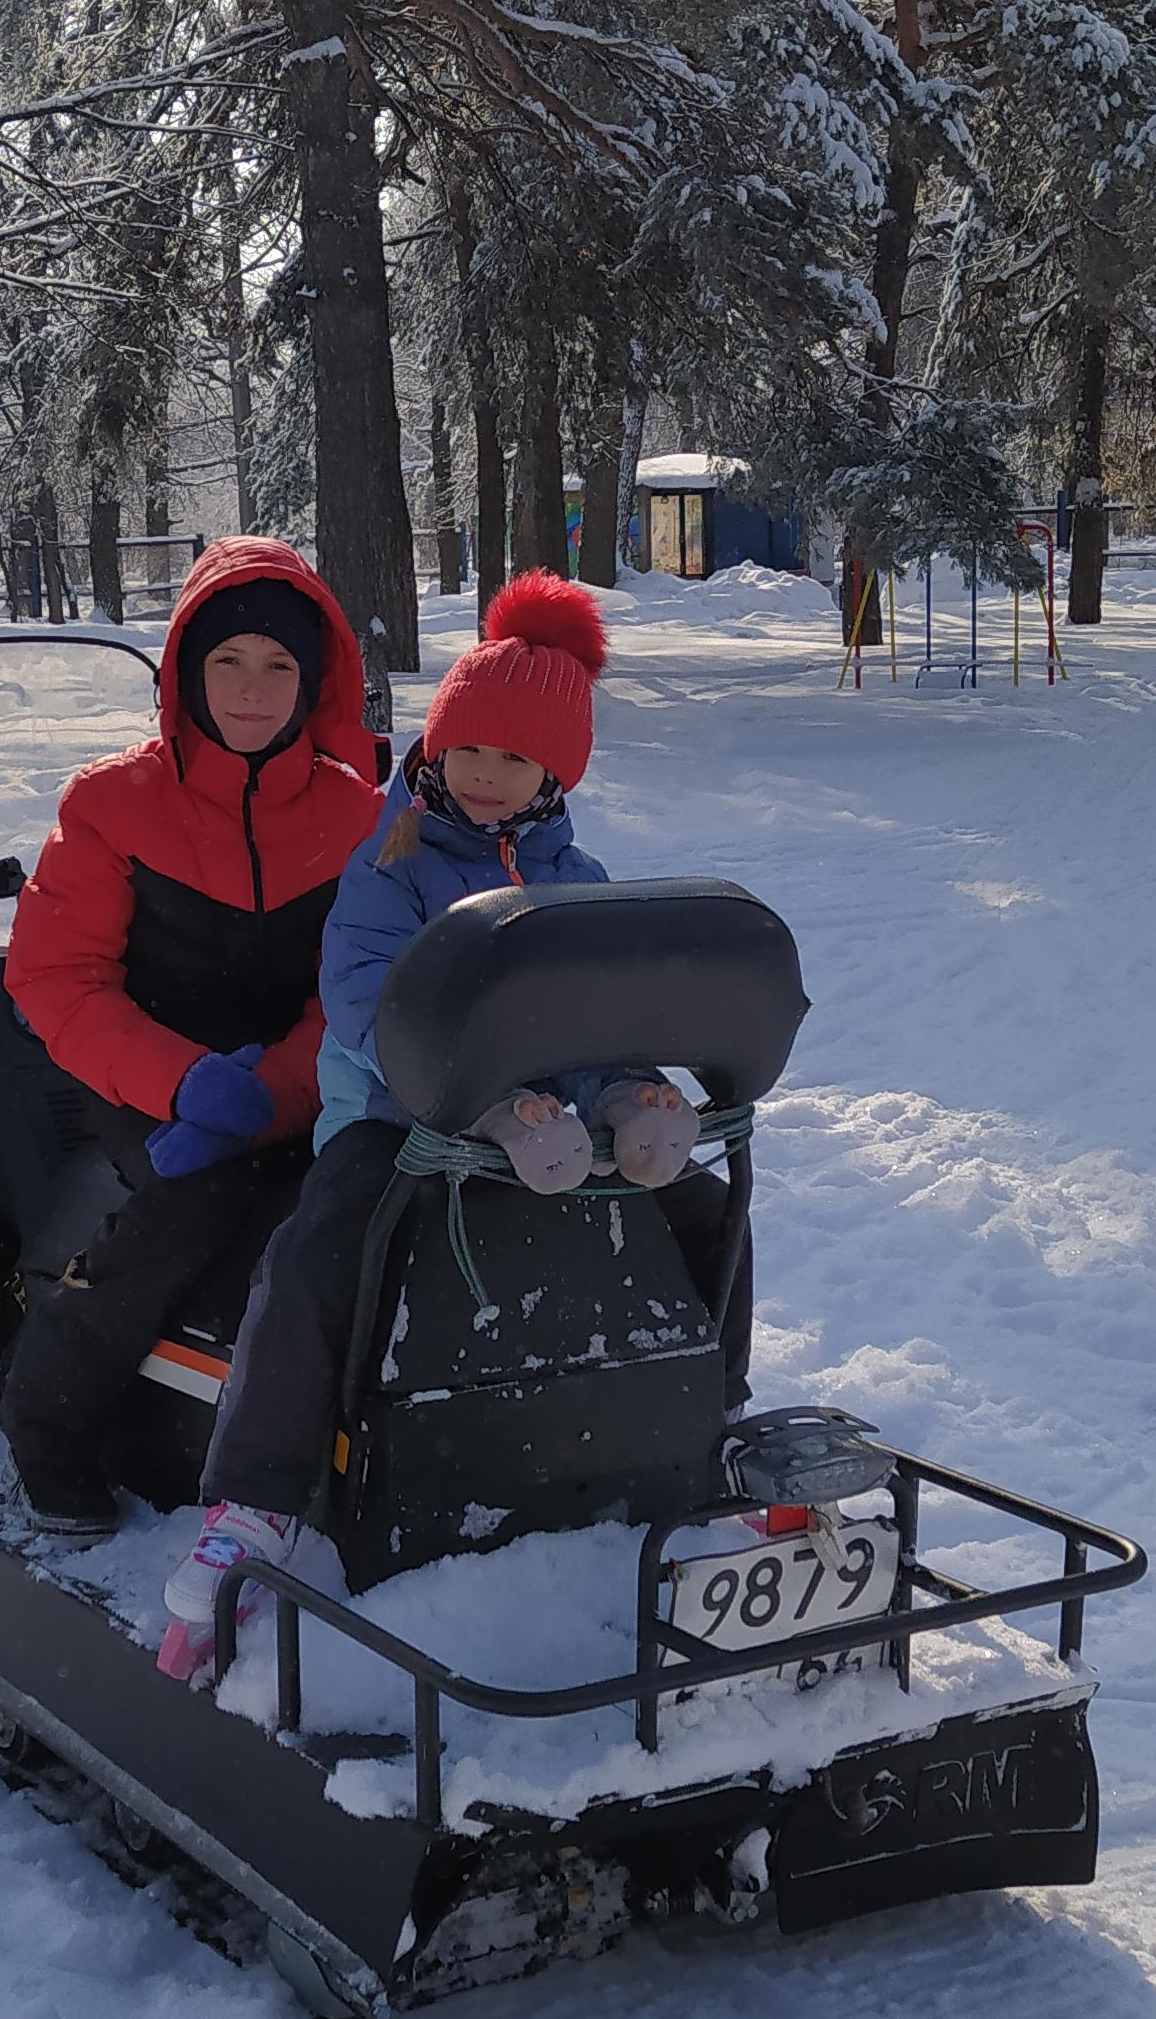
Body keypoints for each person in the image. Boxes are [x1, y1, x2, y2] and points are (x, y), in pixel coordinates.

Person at [155, 571, 752, 1676]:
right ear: (437, 744)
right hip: (398, 1118)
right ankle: (258, 1501)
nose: (483, 776)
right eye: (468, 748)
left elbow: (604, 1017)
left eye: (513, 759)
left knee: (709, 1207)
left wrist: (633, 1094)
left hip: (551, 1129)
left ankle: (707, 1425)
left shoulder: (581, 878)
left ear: (554, 776)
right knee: (321, 1247)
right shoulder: (390, 866)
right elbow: (373, 1003)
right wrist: (478, 1104)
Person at [0, 537, 381, 1537]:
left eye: (279, 666)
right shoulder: (111, 805)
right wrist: (187, 1083)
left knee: (368, 1215)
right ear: (186, 673)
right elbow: (54, 976)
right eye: (228, 662)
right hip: (148, 1082)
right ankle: (47, 1425)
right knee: (194, 1209)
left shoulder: (361, 817)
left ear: (313, 681)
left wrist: (281, 1087)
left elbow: (362, 981)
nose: (252, 690)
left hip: (312, 1078)